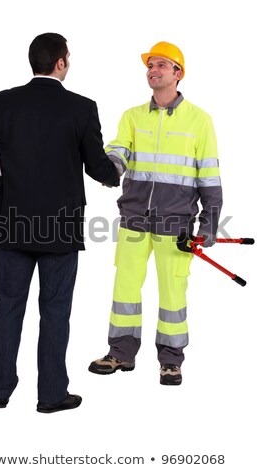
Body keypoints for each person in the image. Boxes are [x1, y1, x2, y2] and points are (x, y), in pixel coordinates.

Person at [0, 32, 119, 412]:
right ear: (61, 62)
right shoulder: (81, 108)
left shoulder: (5, 102)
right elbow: (98, 165)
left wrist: (4, 181)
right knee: (55, 311)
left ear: (34, 62)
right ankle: (50, 396)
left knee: (9, 306)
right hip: (59, 228)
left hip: (11, 221)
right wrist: (115, 173)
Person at [89, 41, 222, 385]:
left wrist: (209, 222)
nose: (153, 70)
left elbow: (209, 177)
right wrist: (108, 169)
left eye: (162, 64)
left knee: (172, 295)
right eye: (150, 65)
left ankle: (171, 360)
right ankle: (120, 353)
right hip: (134, 218)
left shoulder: (200, 120)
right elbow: (119, 151)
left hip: (175, 224)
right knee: (125, 289)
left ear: (178, 73)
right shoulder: (132, 116)